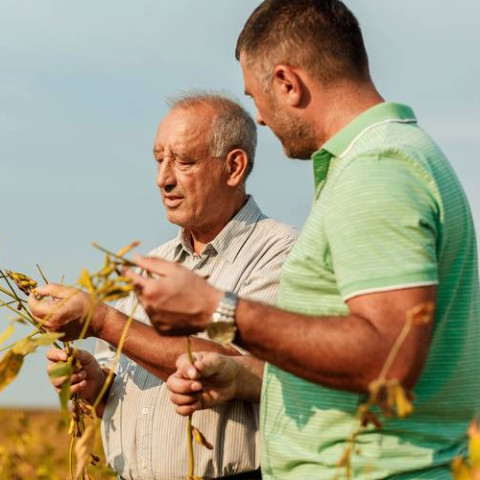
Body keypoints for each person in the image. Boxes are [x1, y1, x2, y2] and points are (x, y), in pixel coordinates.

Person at [126, 1, 480, 478]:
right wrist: (246, 376)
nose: (260, 119)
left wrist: (215, 311)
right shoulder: (384, 160)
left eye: (256, 97)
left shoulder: (378, 170)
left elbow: (388, 357)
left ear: (288, 83)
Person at [29, 92, 296, 479]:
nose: (163, 179)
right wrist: (94, 383)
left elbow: (237, 367)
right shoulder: (153, 264)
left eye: (183, 162)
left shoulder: (280, 252)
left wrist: (102, 321)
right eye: (159, 160)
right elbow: (113, 399)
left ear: (234, 167)